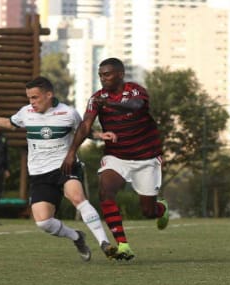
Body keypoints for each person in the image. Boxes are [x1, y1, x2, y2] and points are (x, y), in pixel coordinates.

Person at [0, 76, 118, 261]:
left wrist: (100, 135)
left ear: (49, 95)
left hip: (65, 166)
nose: (31, 102)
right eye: (29, 98)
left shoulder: (68, 113)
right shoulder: (26, 113)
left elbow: (83, 130)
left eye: (35, 97)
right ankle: (77, 237)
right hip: (39, 173)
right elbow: (7, 122)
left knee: (77, 197)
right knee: (44, 222)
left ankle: (104, 243)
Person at [61, 57, 169, 261]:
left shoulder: (135, 91)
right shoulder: (97, 98)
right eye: (100, 75)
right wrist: (71, 152)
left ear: (120, 74)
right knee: (105, 191)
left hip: (146, 157)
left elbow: (135, 107)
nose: (103, 78)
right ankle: (123, 245)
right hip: (116, 156)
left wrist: (110, 103)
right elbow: (85, 125)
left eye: (107, 74)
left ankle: (160, 208)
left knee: (147, 211)